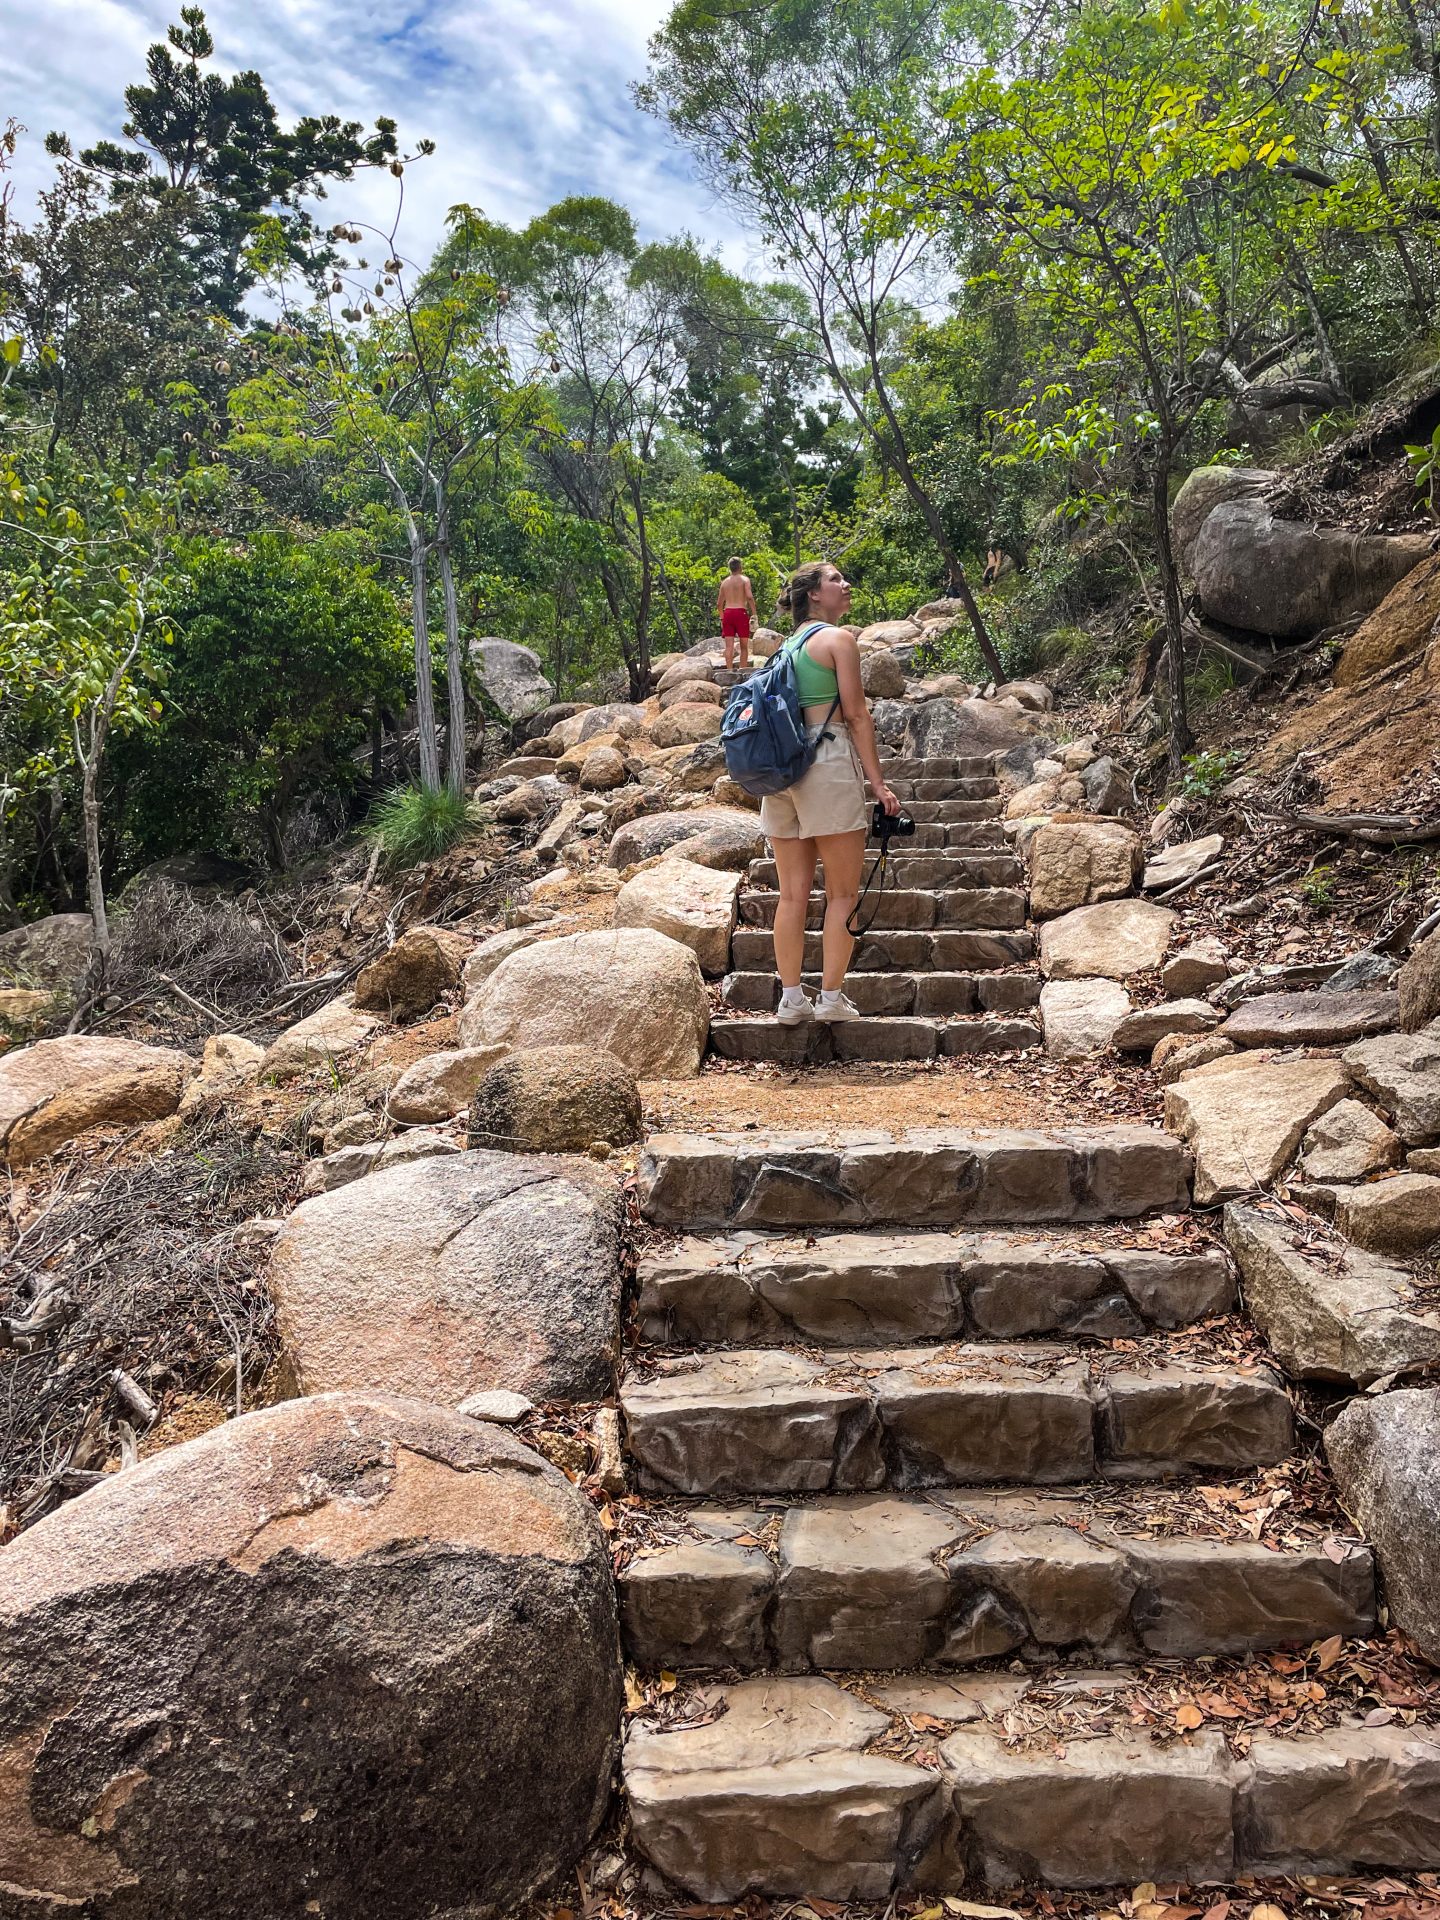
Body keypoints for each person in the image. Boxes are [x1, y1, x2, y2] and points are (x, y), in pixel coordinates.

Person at [761, 560, 901, 1025]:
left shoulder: (785, 647)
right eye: (836, 579)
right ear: (814, 595)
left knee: (791, 895)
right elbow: (857, 716)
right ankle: (832, 997)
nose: (846, 584)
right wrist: (877, 783)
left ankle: (791, 998)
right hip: (825, 761)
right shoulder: (839, 640)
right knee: (842, 893)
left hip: (782, 771)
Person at [717, 557, 758, 671]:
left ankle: (729, 671)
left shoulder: (724, 583)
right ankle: (742, 670)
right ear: (740, 567)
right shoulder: (745, 580)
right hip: (741, 613)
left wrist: (722, 618)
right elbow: (749, 597)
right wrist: (754, 614)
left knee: (729, 646)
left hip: (728, 613)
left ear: (729, 568)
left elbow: (719, 604)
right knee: (744, 646)